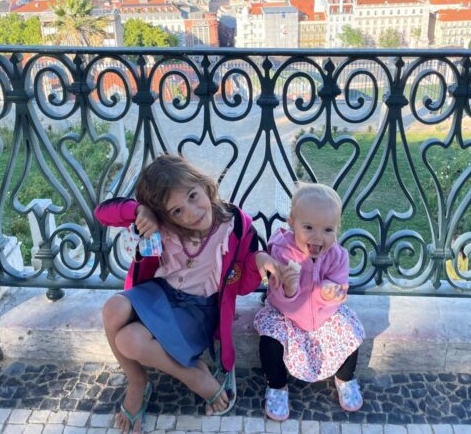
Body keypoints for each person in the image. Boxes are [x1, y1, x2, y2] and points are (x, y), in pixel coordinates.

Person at [95, 154, 281, 433]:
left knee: (130, 339)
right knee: (112, 309)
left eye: (193, 196)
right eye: (177, 211)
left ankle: (189, 375)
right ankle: (142, 380)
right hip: (157, 293)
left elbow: (242, 283)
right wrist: (138, 211)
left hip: (197, 310)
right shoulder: (162, 225)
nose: (191, 213)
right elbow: (102, 213)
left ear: (204, 185)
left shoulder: (235, 226)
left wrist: (258, 261)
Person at [254, 183, 365, 421]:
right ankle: (277, 385)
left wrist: (330, 293)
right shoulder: (282, 251)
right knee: (270, 342)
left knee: (350, 334)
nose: (318, 237)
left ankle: (345, 377)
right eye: (308, 227)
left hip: (323, 313)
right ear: (291, 223)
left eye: (328, 230)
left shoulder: (337, 255)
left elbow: (339, 284)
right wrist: (289, 287)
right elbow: (274, 291)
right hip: (286, 312)